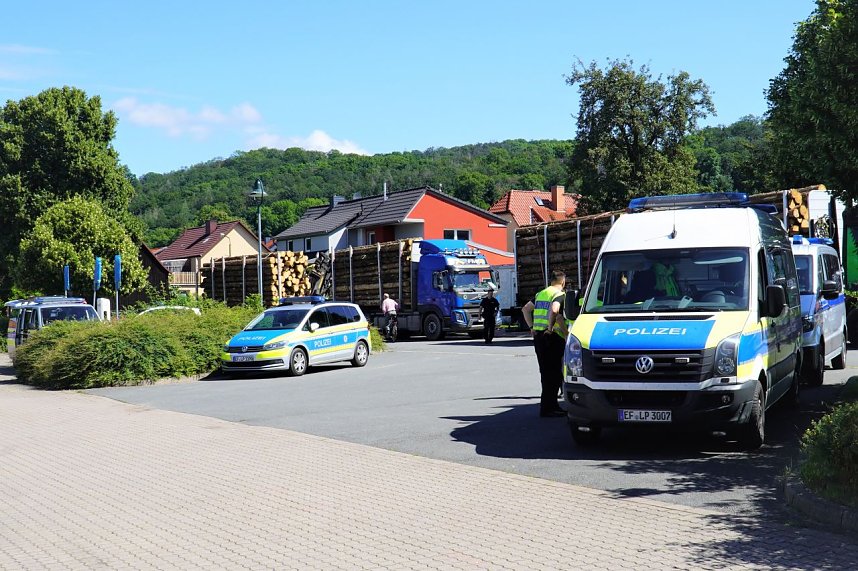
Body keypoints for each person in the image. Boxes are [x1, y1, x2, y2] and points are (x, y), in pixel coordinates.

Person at [521, 270, 568, 418]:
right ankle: (551, 407)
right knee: (554, 374)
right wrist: (550, 328)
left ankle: (546, 407)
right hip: (552, 337)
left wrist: (531, 328)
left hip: (539, 338)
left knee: (545, 374)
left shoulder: (541, 293)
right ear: (563, 282)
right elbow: (555, 310)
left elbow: (525, 309)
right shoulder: (559, 294)